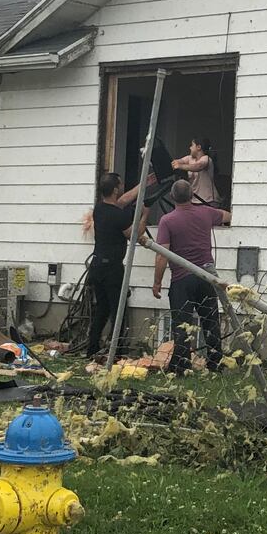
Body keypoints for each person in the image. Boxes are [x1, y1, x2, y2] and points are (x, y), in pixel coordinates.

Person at [151, 178, 230, 372]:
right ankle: (215, 364)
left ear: (172, 197)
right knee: (210, 322)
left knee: (182, 324)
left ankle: (181, 365)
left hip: (181, 279)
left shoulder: (167, 221)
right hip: (206, 276)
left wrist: (157, 282)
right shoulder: (206, 213)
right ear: (191, 195)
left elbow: (162, 255)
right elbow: (228, 216)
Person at [81, 171, 145, 359]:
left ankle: (92, 348)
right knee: (118, 310)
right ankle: (117, 351)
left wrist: (143, 185)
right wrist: (144, 215)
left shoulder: (99, 209)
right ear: (116, 189)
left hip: (97, 266)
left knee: (102, 308)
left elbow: (122, 201)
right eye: (121, 184)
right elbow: (134, 236)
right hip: (112, 270)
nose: (123, 186)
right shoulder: (118, 215)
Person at [170, 137, 218, 205]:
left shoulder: (206, 158)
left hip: (207, 201)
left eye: (192, 145)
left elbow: (198, 166)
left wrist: (180, 166)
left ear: (198, 147)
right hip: (194, 200)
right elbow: (179, 161)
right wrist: (175, 163)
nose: (190, 148)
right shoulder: (190, 158)